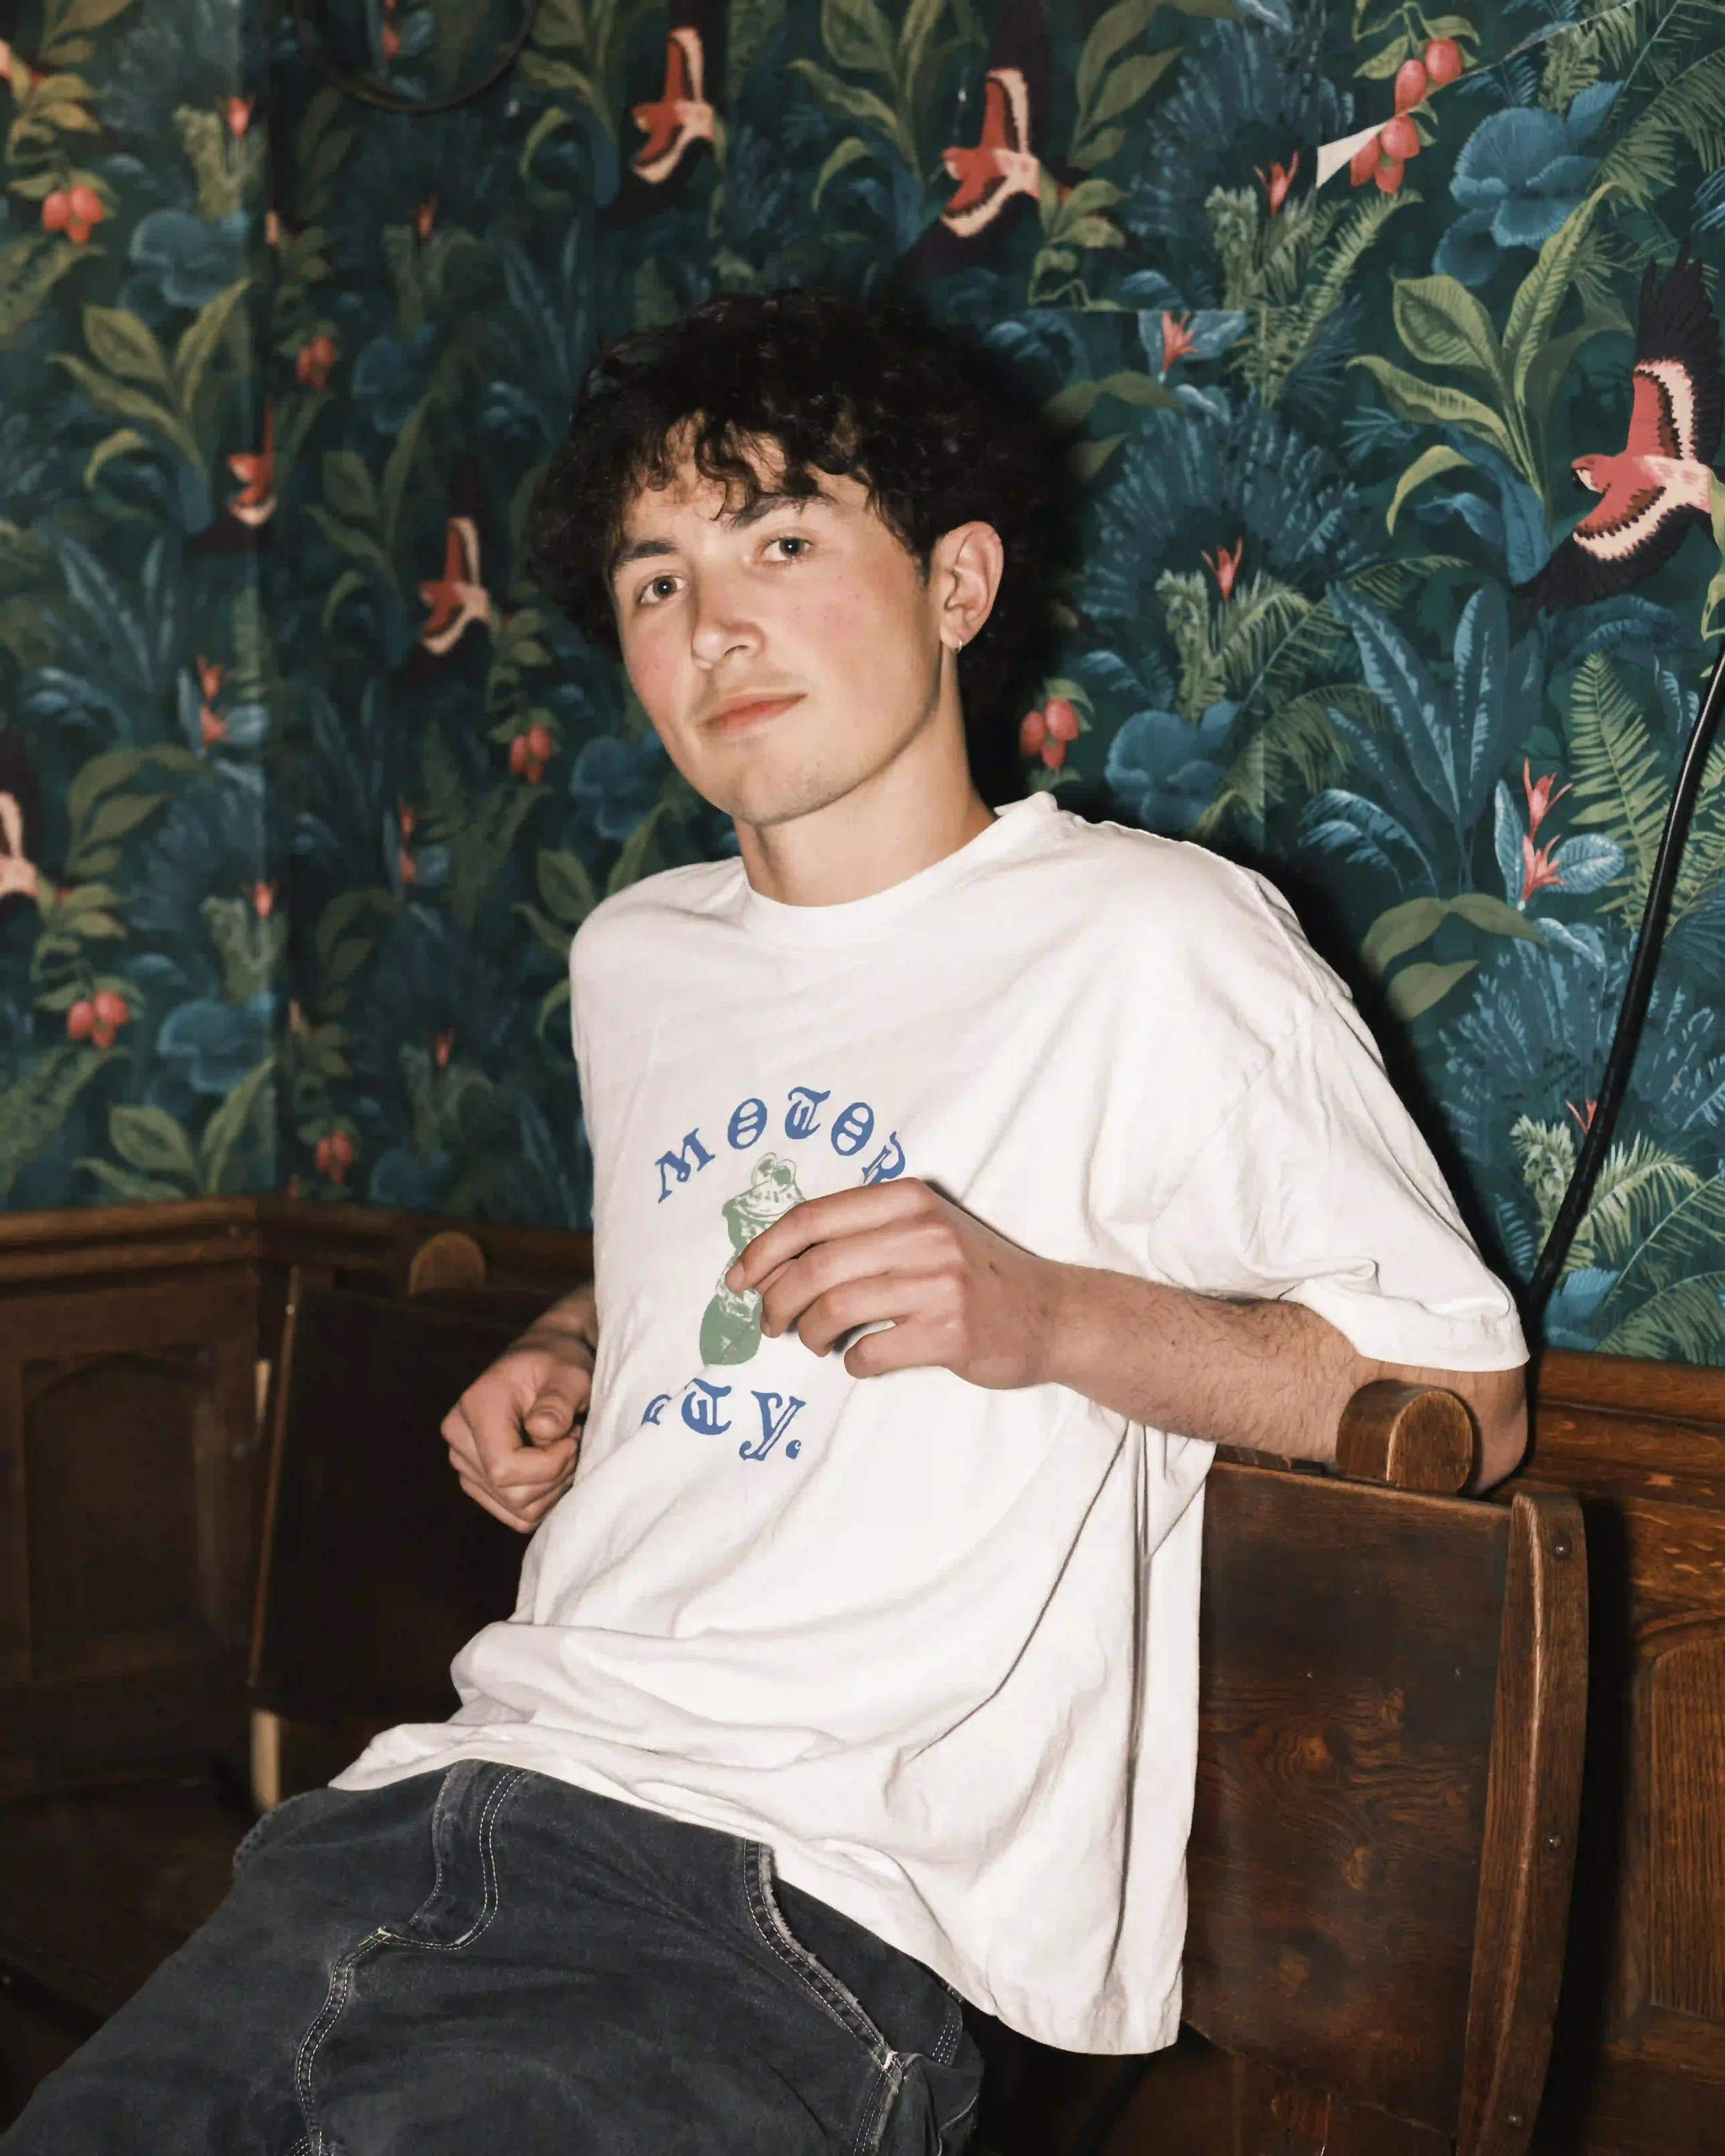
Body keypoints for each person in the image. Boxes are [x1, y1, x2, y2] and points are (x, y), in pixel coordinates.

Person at [4, 290, 1528, 2155]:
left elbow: (1462, 1400)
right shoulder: (635, 955)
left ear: (958, 582)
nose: (711, 626)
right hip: (425, 1807)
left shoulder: (1151, 941)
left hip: (808, 1903)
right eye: (656, 581)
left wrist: (1048, 1318)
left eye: (781, 543)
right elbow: (707, 1225)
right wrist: (574, 1339)